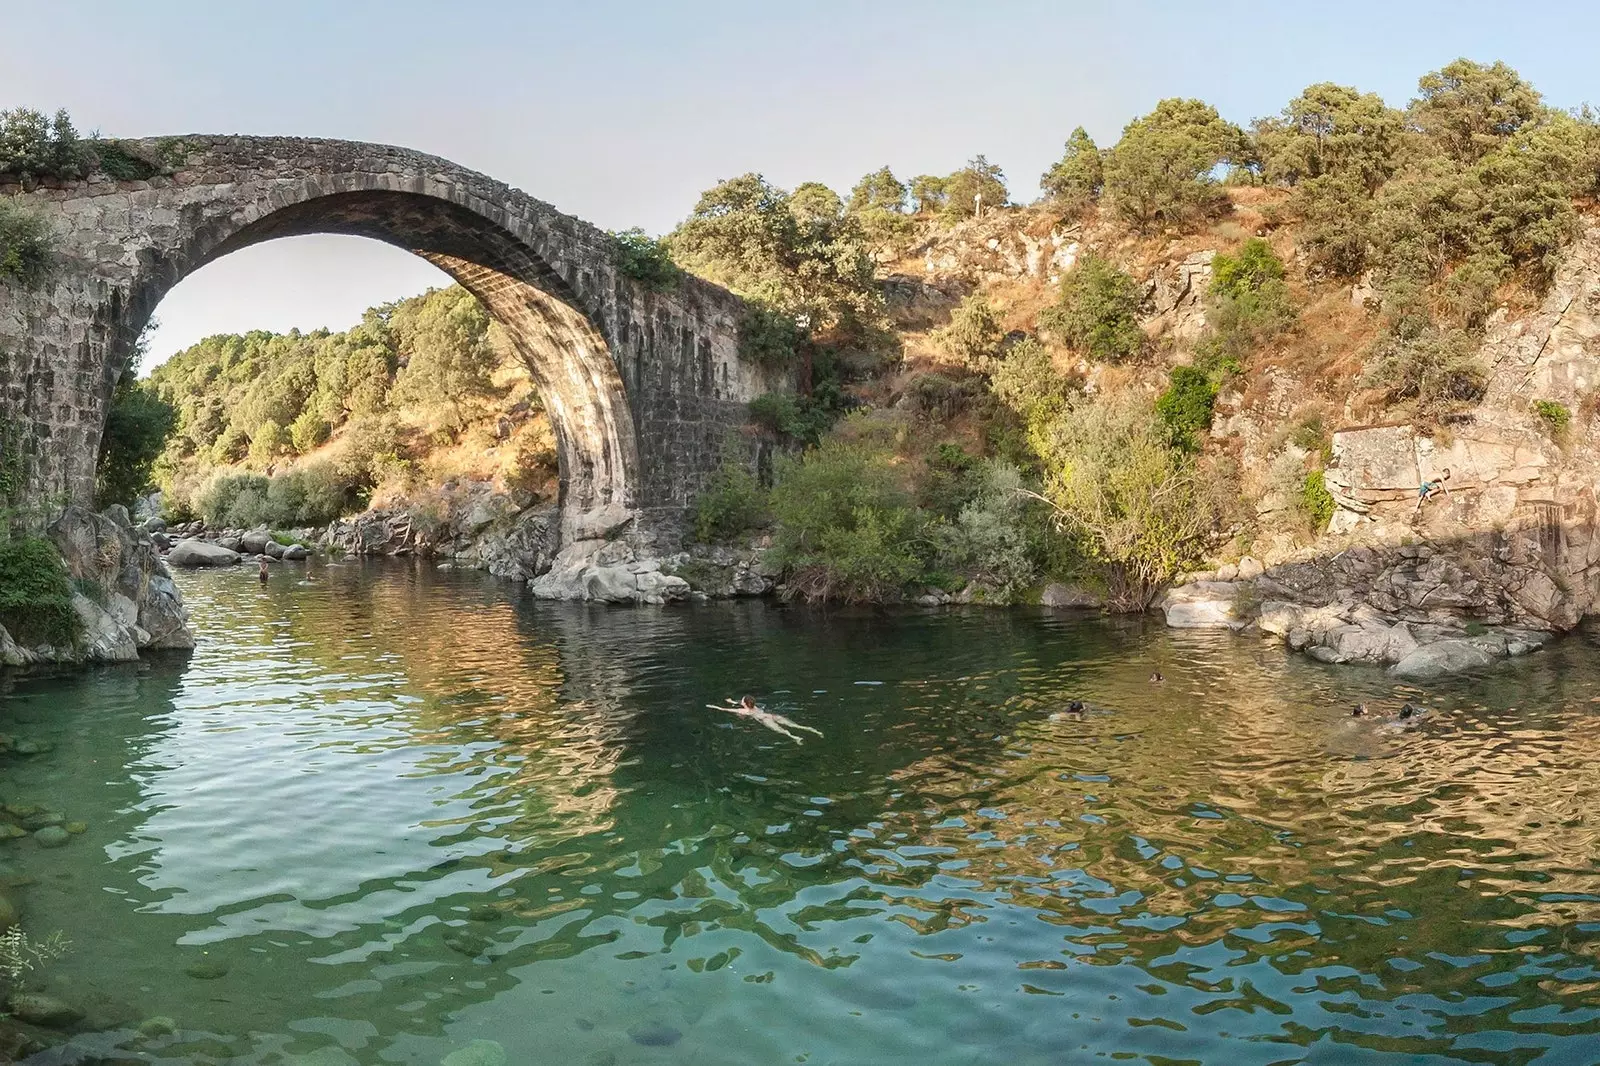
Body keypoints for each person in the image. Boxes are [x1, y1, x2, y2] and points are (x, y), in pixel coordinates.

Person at [707, 696, 824, 745]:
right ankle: (814, 731)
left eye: (742, 701)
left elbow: (723, 709)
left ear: (745, 704)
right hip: (772, 715)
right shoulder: (755, 706)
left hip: (764, 720)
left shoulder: (743, 711)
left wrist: (714, 707)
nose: (741, 701)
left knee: (782, 731)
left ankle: (795, 738)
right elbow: (741, 703)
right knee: (796, 726)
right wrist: (732, 701)